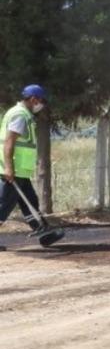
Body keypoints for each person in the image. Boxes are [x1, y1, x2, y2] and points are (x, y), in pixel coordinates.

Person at [1, 85, 51, 249]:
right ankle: (43, 230)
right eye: (41, 101)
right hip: (13, 170)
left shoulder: (22, 114)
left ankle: (44, 232)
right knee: (3, 205)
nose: (42, 104)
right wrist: (9, 168)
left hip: (20, 170)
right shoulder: (20, 115)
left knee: (30, 201)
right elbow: (9, 143)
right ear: (33, 99)